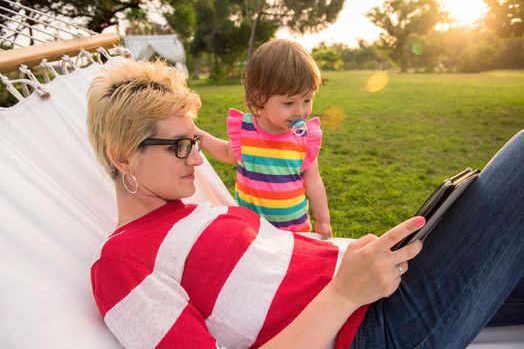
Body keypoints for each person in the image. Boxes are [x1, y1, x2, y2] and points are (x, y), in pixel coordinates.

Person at [87, 59, 523, 349]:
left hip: (381, 287)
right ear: (123, 155)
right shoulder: (123, 261)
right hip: (374, 327)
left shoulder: (193, 210)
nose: (199, 158)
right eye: (181, 146)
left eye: (195, 141)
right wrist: (344, 291)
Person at [197, 39, 332, 238]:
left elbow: (313, 182)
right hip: (253, 230)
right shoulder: (245, 130)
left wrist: (323, 221)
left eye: (307, 100)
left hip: (295, 232)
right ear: (260, 98)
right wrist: (198, 135)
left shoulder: (304, 138)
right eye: (289, 103)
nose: (301, 111)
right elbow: (227, 154)